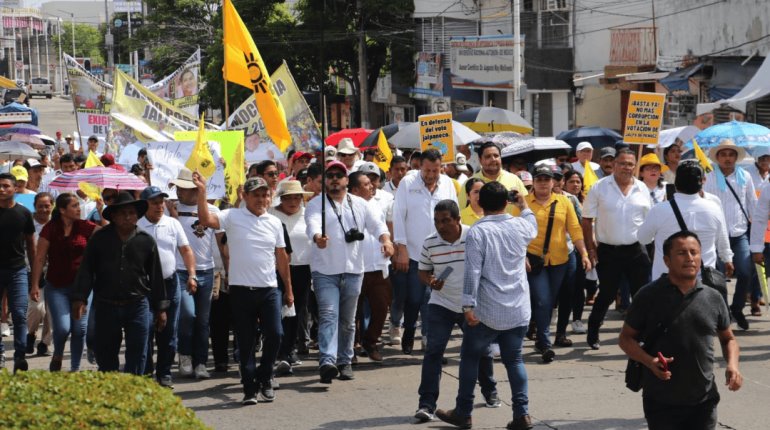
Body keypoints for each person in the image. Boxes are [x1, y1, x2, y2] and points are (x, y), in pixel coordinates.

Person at [435, 181, 537, 430]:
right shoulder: (521, 226)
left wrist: (467, 305)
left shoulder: (478, 232)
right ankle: (522, 414)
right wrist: (522, 203)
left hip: (487, 309)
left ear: (478, 203)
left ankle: (464, 411)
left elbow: (473, 272)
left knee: (470, 358)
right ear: (506, 203)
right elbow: (532, 222)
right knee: (514, 360)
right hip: (516, 307)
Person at [619, 231, 742, 430]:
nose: (690, 258)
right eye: (682, 253)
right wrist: (650, 362)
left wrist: (733, 365)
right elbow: (625, 339)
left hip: (704, 399)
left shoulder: (713, 297)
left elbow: (728, 338)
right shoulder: (648, 295)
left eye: (694, 252)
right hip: (661, 401)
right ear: (666, 260)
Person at [193, 173, 292, 404]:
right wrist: (202, 192)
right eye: (255, 195)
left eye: (264, 194)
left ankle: (265, 377)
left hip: (268, 289)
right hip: (240, 290)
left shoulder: (275, 222)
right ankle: (249, 387)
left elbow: (281, 257)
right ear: (245, 196)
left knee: (275, 334)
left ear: (270, 197)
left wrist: (289, 289)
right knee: (245, 341)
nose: (261, 199)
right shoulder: (232, 216)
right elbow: (206, 220)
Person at [305, 161, 393, 383]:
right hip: (325, 271)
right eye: (330, 175)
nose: (335, 178)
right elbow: (312, 224)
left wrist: (386, 240)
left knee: (347, 320)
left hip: (354, 270)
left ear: (346, 180)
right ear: (325, 180)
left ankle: (345, 360)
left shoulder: (360, 204)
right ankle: (327, 361)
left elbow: (377, 225)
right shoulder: (317, 204)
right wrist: (318, 237)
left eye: (339, 175)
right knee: (328, 315)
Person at [414, 200, 499, 423]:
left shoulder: (474, 237)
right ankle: (426, 405)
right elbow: (422, 272)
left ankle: (489, 390)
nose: (441, 226)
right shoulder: (430, 242)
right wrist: (430, 281)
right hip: (441, 304)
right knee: (433, 351)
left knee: (481, 350)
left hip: (471, 304)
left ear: (458, 219)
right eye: (437, 221)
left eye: (446, 220)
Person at [71, 192, 168, 375]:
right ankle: (111, 394)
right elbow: (86, 270)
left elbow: (155, 276)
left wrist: (161, 308)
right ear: (113, 216)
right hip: (106, 304)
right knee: (106, 357)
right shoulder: (99, 239)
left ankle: (134, 393)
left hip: (137, 304)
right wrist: (80, 298)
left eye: (131, 213)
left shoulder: (146, 241)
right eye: (122, 213)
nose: (127, 217)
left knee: (138, 353)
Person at [582, 149, 652, 349]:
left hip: (637, 250)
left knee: (641, 294)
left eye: (630, 164)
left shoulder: (642, 188)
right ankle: (593, 331)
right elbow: (586, 219)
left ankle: (641, 334)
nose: (626, 168)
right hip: (608, 250)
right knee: (607, 294)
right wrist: (591, 248)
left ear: (635, 166)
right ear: (613, 165)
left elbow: (649, 220)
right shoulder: (599, 187)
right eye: (622, 163)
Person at [392, 149, 457, 354]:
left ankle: (429, 339)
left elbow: (454, 215)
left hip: (441, 252)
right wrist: (400, 247)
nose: (430, 175)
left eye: (435, 170)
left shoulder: (447, 184)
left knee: (433, 297)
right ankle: (409, 328)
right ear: (420, 166)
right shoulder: (407, 184)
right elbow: (398, 216)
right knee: (414, 298)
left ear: (441, 168)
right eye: (427, 170)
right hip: (414, 252)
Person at [523, 166, 590, 361]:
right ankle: (544, 343)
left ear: (554, 182)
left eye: (547, 179)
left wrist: (584, 253)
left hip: (560, 260)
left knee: (549, 301)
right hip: (533, 260)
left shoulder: (564, 201)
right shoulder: (524, 203)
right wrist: (521, 256)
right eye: (539, 179)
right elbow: (513, 232)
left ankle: (540, 337)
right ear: (533, 182)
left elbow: (575, 229)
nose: (543, 182)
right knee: (543, 300)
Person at [168, 168, 228, 381]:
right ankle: (184, 355)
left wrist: (227, 270)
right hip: (180, 271)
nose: (180, 192)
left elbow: (222, 243)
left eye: (185, 188)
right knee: (187, 315)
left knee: (203, 320)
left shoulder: (212, 210)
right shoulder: (170, 209)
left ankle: (200, 362)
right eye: (178, 188)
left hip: (207, 270)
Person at [29, 192, 99, 372]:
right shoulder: (50, 229)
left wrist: (102, 211)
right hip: (57, 286)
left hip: (82, 288)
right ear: (62, 210)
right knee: (62, 327)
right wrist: (35, 284)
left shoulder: (85, 226)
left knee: (79, 329)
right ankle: (58, 353)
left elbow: (109, 233)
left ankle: (74, 369)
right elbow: (39, 258)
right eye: (74, 206)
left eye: (78, 205)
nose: (78, 208)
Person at [138, 186, 197, 387]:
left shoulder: (173, 224)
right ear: (145, 205)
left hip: (170, 283)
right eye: (154, 202)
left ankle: (164, 373)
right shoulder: (137, 226)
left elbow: (186, 250)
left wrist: (192, 275)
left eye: (161, 201)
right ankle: (146, 373)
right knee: (145, 329)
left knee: (169, 332)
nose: (159, 206)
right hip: (144, 287)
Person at [638, 161, 733, 281]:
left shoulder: (659, 210)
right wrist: (727, 259)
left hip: (666, 281)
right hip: (702, 282)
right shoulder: (714, 208)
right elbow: (722, 240)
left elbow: (643, 238)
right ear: (703, 181)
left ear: (676, 182)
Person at [703, 139, 758, 330]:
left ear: (736, 157)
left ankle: (737, 308)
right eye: (723, 154)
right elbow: (704, 204)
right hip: (717, 235)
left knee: (745, 272)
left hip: (739, 233)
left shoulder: (745, 176)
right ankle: (722, 312)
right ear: (717, 157)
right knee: (717, 277)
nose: (727, 158)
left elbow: (752, 203)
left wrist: (759, 228)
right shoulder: (708, 178)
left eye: (731, 154)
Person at [269, 180, 314, 371]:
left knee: (297, 310)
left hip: (302, 267)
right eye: (288, 197)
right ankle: (276, 348)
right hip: (275, 269)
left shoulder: (308, 215)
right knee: (276, 310)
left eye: (297, 197)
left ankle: (289, 349)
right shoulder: (271, 215)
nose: (293, 201)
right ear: (281, 198)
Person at [347, 171, 391, 362]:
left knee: (381, 308)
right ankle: (350, 349)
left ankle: (370, 341)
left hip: (378, 265)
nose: (372, 186)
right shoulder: (346, 206)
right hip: (355, 267)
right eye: (366, 184)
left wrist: (388, 243)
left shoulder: (378, 203)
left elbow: (383, 227)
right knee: (353, 312)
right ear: (355, 189)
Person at [0, 173, 35, 371]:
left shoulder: (23, 213)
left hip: (18, 271)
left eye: (6, 186)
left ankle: (20, 355)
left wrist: (35, 278)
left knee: (20, 314)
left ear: (15, 189)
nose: (2, 189)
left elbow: (31, 245)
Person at [458, 142, 528, 208]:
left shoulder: (514, 180)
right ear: (480, 160)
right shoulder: (470, 183)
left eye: (496, 156)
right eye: (488, 156)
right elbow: (461, 210)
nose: (493, 159)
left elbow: (526, 206)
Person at [26, 192, 53, 357]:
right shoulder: (28, 223)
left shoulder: (57, 223)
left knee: (52, 312)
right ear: (35, 206)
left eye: (47, 205)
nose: (44, 209)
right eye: (40, 206)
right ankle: (30, 334)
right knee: (37, 309)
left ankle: (45, 343)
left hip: (54, 271)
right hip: (32, 270)